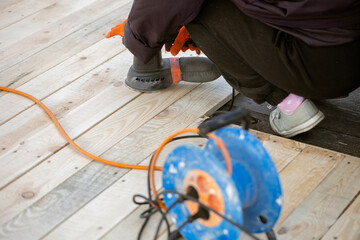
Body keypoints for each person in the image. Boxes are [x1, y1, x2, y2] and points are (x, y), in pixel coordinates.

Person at [118, 0, 360, 137]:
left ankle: (288, 102)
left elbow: (161, 7)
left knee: (197, 7)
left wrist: (135, 37)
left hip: (320, 66)